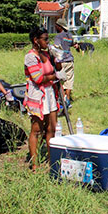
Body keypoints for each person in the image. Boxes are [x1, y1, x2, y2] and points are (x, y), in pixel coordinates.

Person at [23, 26, 62, 170]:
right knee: (37, 128)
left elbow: (57, 69)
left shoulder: (47, 54)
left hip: (50, 93)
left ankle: (52, 160)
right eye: (45, 39)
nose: (47, 42)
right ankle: (34, 163)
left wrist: (57, 59)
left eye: (48, 39)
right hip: (38, 96)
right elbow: (38, 78)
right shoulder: (30, 57)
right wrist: (55, 77)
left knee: (51, 127)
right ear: (36, 40)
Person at [54, 18, 75, 104]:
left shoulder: (58, 36)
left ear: (60, 27)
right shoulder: (69, 35)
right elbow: (73, 44)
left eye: (56, 26)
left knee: (59, 80)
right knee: (69, 81)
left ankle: (61, 99)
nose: (55, 27)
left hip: (61, 61)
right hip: (70, 60)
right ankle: (67, 99)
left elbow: (56, 47)